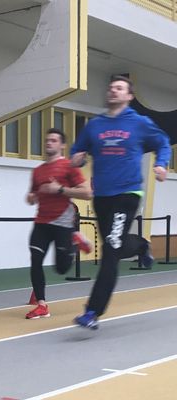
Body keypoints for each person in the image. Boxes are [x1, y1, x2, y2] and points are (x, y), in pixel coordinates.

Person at [70, 75, 171, 330]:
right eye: (111, 87)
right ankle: (140, 246)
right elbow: (77, 152)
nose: (114, 91)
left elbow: (162, 142)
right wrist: (78, 158)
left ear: (129, 96)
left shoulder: (139, 123)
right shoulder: (95, 125)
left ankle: (92, 311)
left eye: (120, 88)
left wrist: (160, 164)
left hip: (127, 194)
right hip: (102, 196)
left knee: (110, 252)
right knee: (114, 247)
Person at [25, 128, 92, 320]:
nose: (49, 143)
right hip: (41, 222)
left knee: (61, 269)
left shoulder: (69, 167)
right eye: (47, 140)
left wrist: (60, 189)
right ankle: (42, 305)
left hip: (63, 223)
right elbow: (31, 197)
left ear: (62, 145)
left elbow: (87, 193)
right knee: (35, 261)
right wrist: (31, 197)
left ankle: (74, 239)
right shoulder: (38, 171)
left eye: (54, 140)